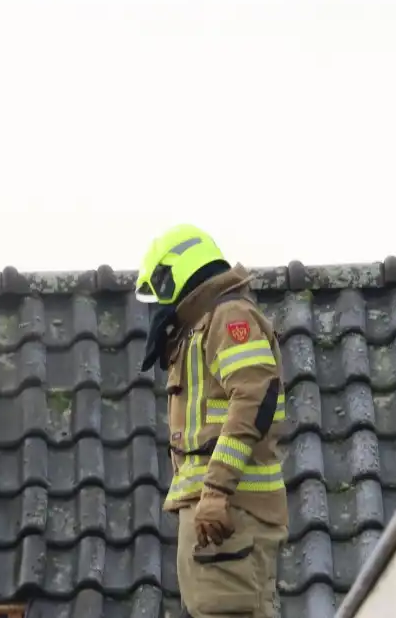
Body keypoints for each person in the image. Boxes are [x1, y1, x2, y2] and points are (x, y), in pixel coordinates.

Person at [135, 224, 288, 618]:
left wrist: (216, 490)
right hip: (217, 524)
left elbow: (255, 392)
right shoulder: (200, 329)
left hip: (229, 516)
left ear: (174, 275)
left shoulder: (229, 315)